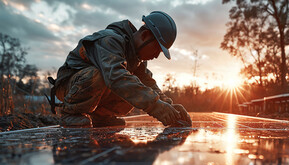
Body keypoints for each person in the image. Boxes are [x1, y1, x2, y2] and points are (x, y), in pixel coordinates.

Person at [48, 11, 192, 127]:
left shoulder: (137, 57)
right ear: (144, 35)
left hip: (93, 85)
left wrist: (170, 106)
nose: (156, 56)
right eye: (156, 49)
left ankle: (101, 117)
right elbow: (115, 77)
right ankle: (70, 114)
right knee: (103, 76)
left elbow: (148, 83)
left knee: (134, 85)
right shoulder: (110, 40)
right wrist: (155, 107)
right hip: (70, 86)